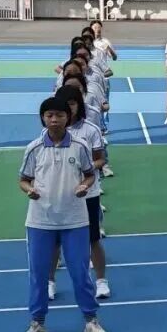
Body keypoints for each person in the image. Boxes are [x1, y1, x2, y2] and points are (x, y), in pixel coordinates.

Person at [18, 97, 106, 332]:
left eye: (59, 115)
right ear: (42, 118)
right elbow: (23, 179)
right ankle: (37, 324)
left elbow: (89, 174)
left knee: (80, 272)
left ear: (68, 117)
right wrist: (29, 190)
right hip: (40, 221)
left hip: (75, 220)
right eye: (49, 115)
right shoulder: (34, 148)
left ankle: (91, 321)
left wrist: (84, 186)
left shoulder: (80, 146)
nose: (54, 120)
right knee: (38, 274)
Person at [49, 86, 110, 301]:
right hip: (59, 194)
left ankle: (101, 281)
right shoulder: (50, 132)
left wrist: (85, 170)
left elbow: (101, 159)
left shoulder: (90, 130)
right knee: (55, 241)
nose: (69, 108)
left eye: (73, 103)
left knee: (93, 239)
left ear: (79, 105)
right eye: (65, 105)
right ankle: (50, 282)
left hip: (87, 193)